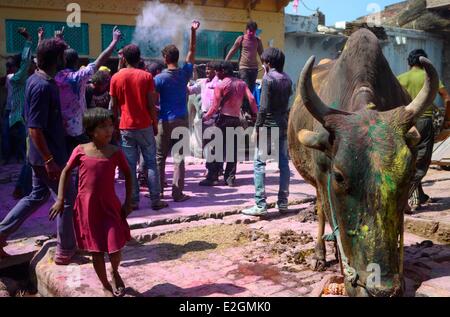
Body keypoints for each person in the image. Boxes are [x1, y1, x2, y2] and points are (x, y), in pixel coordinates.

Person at [0, 38, 76, 263]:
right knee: (68, 199)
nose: (65, 59)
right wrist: (49, 159)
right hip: (47, 157)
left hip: (41, 154)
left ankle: (2, 232)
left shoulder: (41, 80)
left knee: (37, 196)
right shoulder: (41, 86)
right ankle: (65, 251)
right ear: (56, 59)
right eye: (62, 56)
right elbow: (34, 128)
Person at [50, 108, 132, 297]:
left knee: (114, 247)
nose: (109, 130)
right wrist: (60, 199)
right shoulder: (80, 151)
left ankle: (115, 271)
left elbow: (128, 174)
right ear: (90, 130)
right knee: (96, 251)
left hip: (110, 207)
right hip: (88, 209)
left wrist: (128, 201)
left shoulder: (115, 152)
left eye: (111, 125)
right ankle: (105, 285)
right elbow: (65, 171)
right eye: (103, 127)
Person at [110, 44, 167, 211]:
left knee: (129, 165)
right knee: (151, 163)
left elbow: (113, 106)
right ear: (139, 58)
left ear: (124, 58)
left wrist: (113, 127)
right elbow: (151, 104)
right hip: (145, 125)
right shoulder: (146, 77)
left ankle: (133, 201)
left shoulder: (116, 77)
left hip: (125, 126)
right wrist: (154, 124)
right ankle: (155, 200)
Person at [55, 26, 122, 156]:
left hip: (59, 128)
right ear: (76, 62)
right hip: (77, 129)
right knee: (86, 158)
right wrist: (114, 41)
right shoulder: (78, 77)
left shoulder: (55, 76)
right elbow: (101, 59)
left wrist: (59, 40)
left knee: (65, 162)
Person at [398, 49, 450, 212]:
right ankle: (406, 198)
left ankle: (419, 196)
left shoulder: (400, 79)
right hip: (424, 122)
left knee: (409, 160)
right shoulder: (429, 77)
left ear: (409, 63)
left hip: (404, 123)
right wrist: (447, 121)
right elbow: (447, 97)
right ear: (424, 62)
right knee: (421, 162)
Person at [242, 48, 293, 216]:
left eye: (264, 62)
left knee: (259, 163)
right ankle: (283, 202)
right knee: (284, 163)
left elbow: (263, 108)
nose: (263, 64)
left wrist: (257, 127)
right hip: (282, 124)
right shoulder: (287, 78)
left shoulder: (268, 78)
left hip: (267, 126)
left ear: (269, 63)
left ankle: (260, 204)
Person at [154, 20, 200, 202]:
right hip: (181, 120)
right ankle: (177, 193)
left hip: (163, 120)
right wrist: (193, 31)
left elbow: (152, 101)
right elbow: (192, 51)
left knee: (159, 158)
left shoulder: (158, 78)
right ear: (176, 57)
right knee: (179, 158)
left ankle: (158, 193)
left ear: (165, 59)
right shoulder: (184, 73)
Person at [201, 61, 258, 187]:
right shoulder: (242, 84)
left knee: (216, 150)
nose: (216, 73)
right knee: (232, 151)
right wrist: (256, 114)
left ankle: (213, 177)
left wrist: (205, 117)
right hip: (236, 120)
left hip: (223, 120)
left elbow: (214, 107)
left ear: (223, 71)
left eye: (217, 71)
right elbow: (252, 99)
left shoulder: (220, 86)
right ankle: (230, 179)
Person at [225, 20, 263, 114]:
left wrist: (266, 66)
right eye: (249, 31)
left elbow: (262, 54)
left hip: (254, 69)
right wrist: (225, 62)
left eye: (253, 31)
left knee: (251, 89)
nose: (251, 33)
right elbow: (233, 50)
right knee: (245, 87)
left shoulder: (257, 41)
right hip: (243, 68)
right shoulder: (241, 39)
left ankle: (248, 109)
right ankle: (244, 109)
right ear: (246, 30)